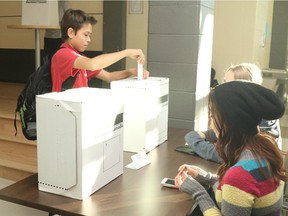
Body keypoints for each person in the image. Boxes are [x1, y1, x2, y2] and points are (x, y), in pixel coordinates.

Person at [175, 80, 287, 215]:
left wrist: (198, 193)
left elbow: (239, 183)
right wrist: (206, 177)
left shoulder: (239, 175)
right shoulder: (264, 150)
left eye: (212, 116)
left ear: (229, 121)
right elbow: (243, 190)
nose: (210, 123)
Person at [184, 63, 282, 163]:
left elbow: (226, 154)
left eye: (227, 84)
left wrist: (194, 140)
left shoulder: (260, 122)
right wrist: (206, 135)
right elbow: (226, 131)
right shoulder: (249, 113)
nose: (222, 89)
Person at [51, 9, 149, 92]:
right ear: (71, 33)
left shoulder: (79, 58)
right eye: (86, 35)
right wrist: (126, 52)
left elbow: (109, 77)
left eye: (90, 35)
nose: (89, 40)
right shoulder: (63, 54)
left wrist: (131, 72)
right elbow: (93, 64)